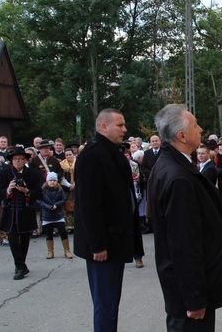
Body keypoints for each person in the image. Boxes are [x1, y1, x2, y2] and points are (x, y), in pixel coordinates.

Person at [150, 104, 222, 332]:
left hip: (186, 287)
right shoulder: (177, 177)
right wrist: (195, 297)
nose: (200, 129)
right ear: (181, 135)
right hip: (187, 292)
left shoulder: (174, 165)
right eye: (195, 125)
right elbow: (184, 243)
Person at [74, 109, 142, 332]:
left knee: (111, 303)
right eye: (120, 125)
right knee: (105, 305)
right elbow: (89, 205)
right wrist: (98, 245)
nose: (125, 130)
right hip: (103, 246)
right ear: (103, 127)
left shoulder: (112, 153)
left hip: (115, 241)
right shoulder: (92, 155)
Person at [0, 147, 42, 280]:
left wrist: (26, 191)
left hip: (25, 211)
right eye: (15, 159)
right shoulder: (5, 174)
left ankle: (21, 266)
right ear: (11, 160)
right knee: (12, 238)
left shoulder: (33, 174)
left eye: (21, 159)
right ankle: (21, 266)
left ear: (25, 160)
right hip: (10, 212)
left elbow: (39, 193)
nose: (18, 161)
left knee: (24, 239)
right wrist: (8, 190)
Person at [38, 172, 72, 259]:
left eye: (54, 180)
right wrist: (48, 206)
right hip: (47, 214)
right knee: (49, 234)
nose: (52, 182)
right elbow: (39, 201)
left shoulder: (60, 190)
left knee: (63, 232)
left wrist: (56, 205)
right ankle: (50, 251)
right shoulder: (42, 190)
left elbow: (63, 199)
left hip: (58, 214)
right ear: (47, 181)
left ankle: (67, 251)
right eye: (50, 180)